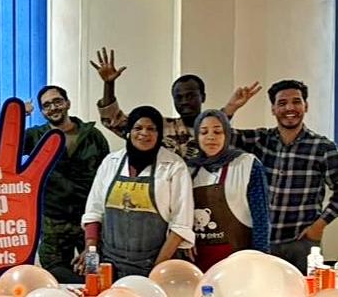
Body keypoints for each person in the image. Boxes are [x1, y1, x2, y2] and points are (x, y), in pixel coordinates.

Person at [229, 80, 338, 273]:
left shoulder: (323, 147)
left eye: (296, 101)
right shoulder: (261, 140)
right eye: (282, 103)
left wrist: (319, 226)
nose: (289, 108)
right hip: (262, 241)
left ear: (306, 106)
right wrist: (232, 107)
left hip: (302, 242)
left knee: (305, 288)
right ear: (273, 109)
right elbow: (217, 134)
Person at [78, 106, 194, 279]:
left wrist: (156, 272)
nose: (144, 133)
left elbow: (181, 225)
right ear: (128, 132)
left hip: (154, 263)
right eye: (138, 128)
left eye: (151, 129)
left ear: (159, 134)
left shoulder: (174, 166)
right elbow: (93, 212)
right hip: (108, 264)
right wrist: (91, 255)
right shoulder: (111, 162)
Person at [24, 85, 109, 283]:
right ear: (42, 112)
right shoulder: (36, 136)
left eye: (57, 101)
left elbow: (107, 175)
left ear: (67, 103)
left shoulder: (92, 136)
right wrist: (19, 115)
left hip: (88, 222)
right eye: (46, 105)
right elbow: (3, 146)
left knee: (94, 270)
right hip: (53, 222)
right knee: (54, 274)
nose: (53, 108)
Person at [91, 47, 211, 160]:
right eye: (178, 97)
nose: (184, 102)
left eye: (190, 96)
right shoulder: (160, 127)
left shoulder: (215, 129)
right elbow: (112, 120)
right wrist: (109, 84)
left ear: (203, 97)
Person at [187, 110, 270, 271]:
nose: (211, 137)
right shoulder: (189, 170)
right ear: (197, 136)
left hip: (239, 261)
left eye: (217, 131)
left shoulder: (247, 164)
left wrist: (261, 259)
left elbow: (261, 218)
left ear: (227, 134)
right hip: (199, 261)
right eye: (204, 132)